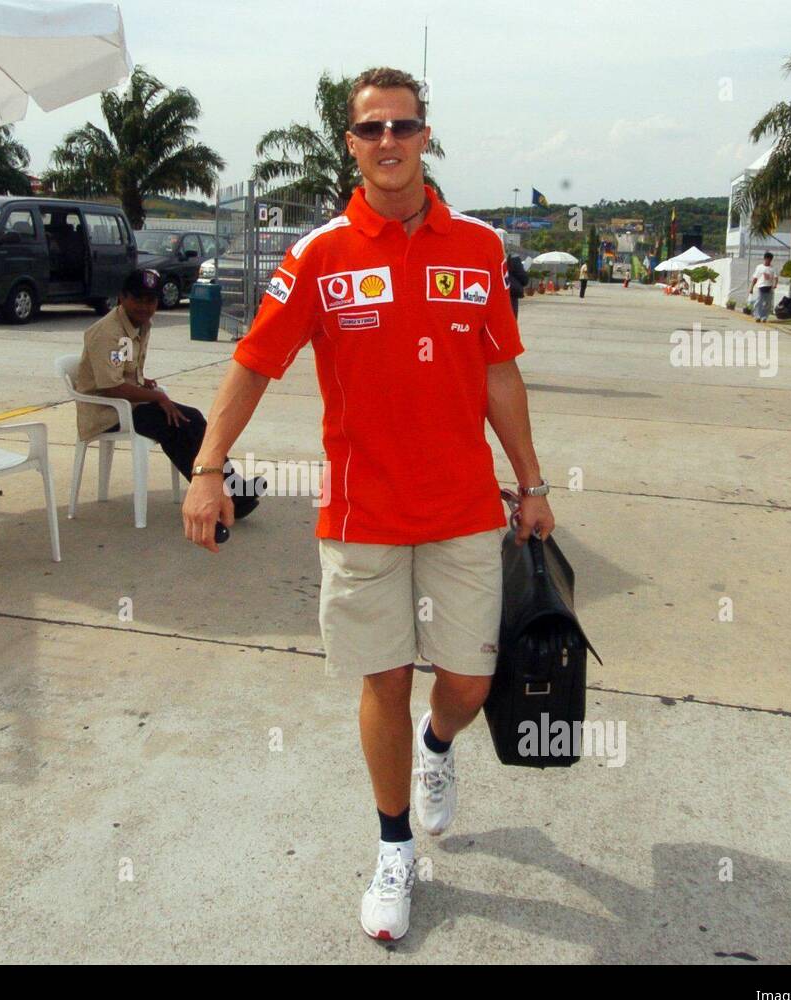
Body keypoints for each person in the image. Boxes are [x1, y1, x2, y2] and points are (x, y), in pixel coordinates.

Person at [181, 67, 553, 942]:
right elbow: (254, 364)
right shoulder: (319, 255)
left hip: (465, 508)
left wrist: (531, 484)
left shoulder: (480, 250)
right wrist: (207, 466)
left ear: (427, 138)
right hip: (361, 516)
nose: (389, 141)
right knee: (383, 678)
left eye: (405, 126)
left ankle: (439, 746)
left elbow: (500, 371)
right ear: (351, 144)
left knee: (468, 681)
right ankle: (394, 851)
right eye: (372, 129)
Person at [76, 268, 262, 515]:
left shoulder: (140, 325)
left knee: (191, 420)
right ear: (122, 298)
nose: (145, 306)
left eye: (151, 300)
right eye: (138, 299)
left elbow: (124, 371)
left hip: (130, 405)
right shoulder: (108, 333)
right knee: (176, 426)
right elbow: (110, 387)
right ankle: (222, 495)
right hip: (107, 413)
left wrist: (145, 383)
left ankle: (230, 490)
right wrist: (158, 397)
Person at [750, 252, 778, 322]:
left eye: (770, 259)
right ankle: (757, 316)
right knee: (759, 302)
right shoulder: (759, 267)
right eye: (767, 259)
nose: (768, 261)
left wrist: (775, 284)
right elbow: (755, 278)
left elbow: (776, 278)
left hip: (769, 287)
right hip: (761, 287)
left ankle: (764, 316)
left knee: (767, 303)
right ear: (765, 259)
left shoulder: (773, 268)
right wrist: (751, 287)